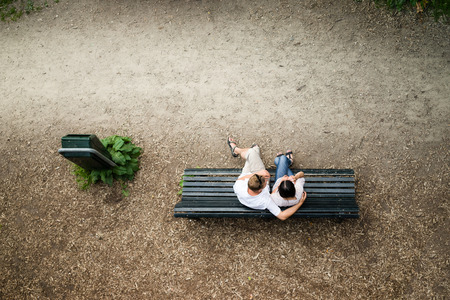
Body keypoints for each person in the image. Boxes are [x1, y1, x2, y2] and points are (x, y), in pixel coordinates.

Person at [227, 137, 306, 221]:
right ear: (261, 189)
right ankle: (238, 150)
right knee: (253, 151)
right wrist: (300, 203)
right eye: (265, 181)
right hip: (252, 176)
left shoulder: (239, 186)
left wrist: (256, 173)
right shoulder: (265, 200)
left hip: (249, 174)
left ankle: (237, 150)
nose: (266, 178)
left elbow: (241, 179)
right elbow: (282, 216)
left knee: (252, 152)